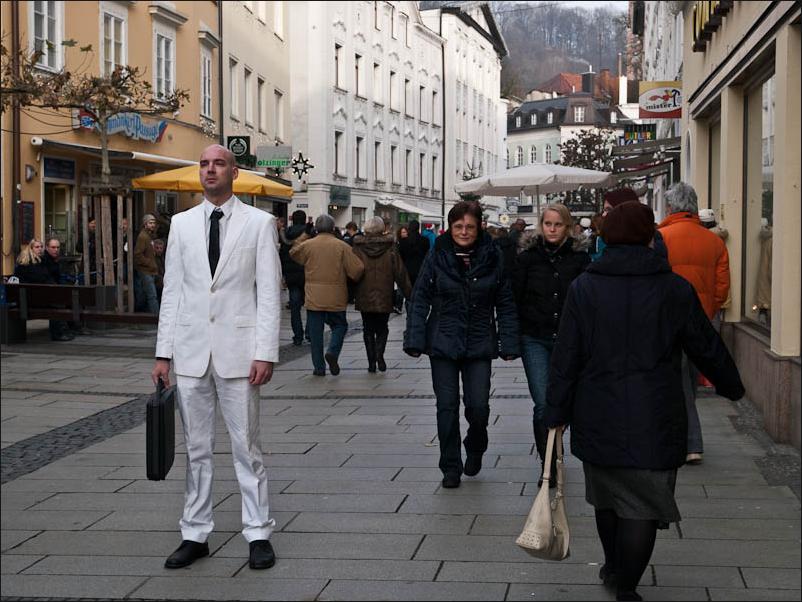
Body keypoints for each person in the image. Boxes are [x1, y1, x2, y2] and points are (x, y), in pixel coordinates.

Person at [545, 201, 744, 601]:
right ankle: (627, 586)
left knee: (606, 499)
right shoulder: (674, 289)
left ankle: (613, 566)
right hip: (655, 414)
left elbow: (566, 356)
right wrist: (732, 386)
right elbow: (705, 344)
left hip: (597, 411)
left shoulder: (585, 287)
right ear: (649, 237)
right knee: (644, 503)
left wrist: (556, 411)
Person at [151, 144, 281, 571]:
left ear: (234, 172)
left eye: (218, 163)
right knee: (196, 449)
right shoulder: (182, 224)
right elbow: (173, 291)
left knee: (247, 448)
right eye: (204, 164)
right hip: (190, 351)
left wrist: (265, 352)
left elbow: (269, 294)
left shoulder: (259, 223)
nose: (210, 170)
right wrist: (163, 354)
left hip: (240, 353)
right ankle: (195, 533)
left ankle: (258, 532)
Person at [404, 201, 519, 489]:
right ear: (450, 227)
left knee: (478, 407)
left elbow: (505, 301)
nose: (464, 232)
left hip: (479, 341)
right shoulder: (437, 254)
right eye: (458, 226)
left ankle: (476, 445)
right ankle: (450, 465)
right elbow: (420, 297)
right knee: (447, 406)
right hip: (443, 340)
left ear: (479, 227)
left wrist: (508, 342)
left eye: (469, 226)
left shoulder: (492, 256)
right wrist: (415, 338)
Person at [512, 203, 589, 487]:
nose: (552, 229)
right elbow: (515, 297)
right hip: (534, 337)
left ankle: (556, 448)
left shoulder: (580, 259)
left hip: (569, 340)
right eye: (548, 224)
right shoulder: (528, 258)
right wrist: (511, 336)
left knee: (566, 400)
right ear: (541, 226)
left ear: (567, 227)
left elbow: (587, 300)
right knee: (543, 403)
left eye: (558, 224)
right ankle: (549, 464)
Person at [658, 182, 730, 465]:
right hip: (702, 322)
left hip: (669, 321)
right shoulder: (714, 241)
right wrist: (708, 311)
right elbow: (722, 288)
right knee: (689, 381)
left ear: (671, 207)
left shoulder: (661, 237)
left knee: (677, 383)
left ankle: (690, 442)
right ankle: (685, 439)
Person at [290, 214, 364, 376]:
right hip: (336, 295)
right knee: (340, 326)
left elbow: (293, 251)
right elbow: (357, 269)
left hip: (314, 296)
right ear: (332, 228)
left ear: (316, 228)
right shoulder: (342, 246)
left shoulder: (308, 245)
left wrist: (305, 235)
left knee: (315, 334)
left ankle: (319, 368)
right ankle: (332, 351)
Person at [352, 217, 412, 373]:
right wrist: (409, 293)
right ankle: (380, 355)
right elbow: (400, 272)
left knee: (367, 328)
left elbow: (352, 271)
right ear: (382, 229)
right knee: (382, 328)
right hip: (384, 293)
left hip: (364, 293)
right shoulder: (390, 247)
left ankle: (371, 362)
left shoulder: (357, 247)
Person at [14, 239, 74, 341]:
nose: (40, 249)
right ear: (31, 248)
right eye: (37, 247)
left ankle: (64, 330)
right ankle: (58, 333)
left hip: (31, 297)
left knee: (61, 300)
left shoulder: (37, 261)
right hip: (30, 299)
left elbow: (45, 278)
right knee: (58, 303)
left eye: (41, 247)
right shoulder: (30, 263)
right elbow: (41, 279)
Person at [279, 210, 314, 346]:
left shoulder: (285, 234)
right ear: (304, 219)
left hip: (291, 275)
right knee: (311, 305)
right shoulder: (310, 233)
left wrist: (283, 274)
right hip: (307, 273)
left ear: (292, 219)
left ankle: (298, 336)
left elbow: (282, 255)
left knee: (294, 307)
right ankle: (309, 333)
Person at [134, 214, 160, 314]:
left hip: (150, 270)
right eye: (150, 223)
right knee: (152, 295)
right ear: (145, 224)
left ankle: (145, 315)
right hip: (145, 271)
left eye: (154, 223)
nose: (153, 225)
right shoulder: (143, 237)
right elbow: (138, 255)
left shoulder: (150, 236)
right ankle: (156, 317)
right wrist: (149, 263)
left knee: (145, 295)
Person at [152, 238, 166, 303]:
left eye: (161, 248)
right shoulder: (152, 258)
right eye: (157, 248)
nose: (159, 250)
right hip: (157, 282)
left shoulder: (163, 258)